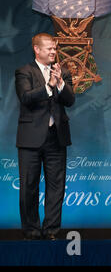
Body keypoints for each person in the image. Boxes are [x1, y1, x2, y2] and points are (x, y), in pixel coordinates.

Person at [15, 33, 75, 240]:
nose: (53, 52)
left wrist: (59, 84)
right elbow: (26, 98)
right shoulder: (24, 72)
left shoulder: (62, 72)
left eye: (54, 49)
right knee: (28, 187)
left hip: (56, 137)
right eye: (49, 48)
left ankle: (51, 230)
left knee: (56, 186)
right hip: (30, 138)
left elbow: (69, 100)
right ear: (37, 49)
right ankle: (31, 230)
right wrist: (49, 85)